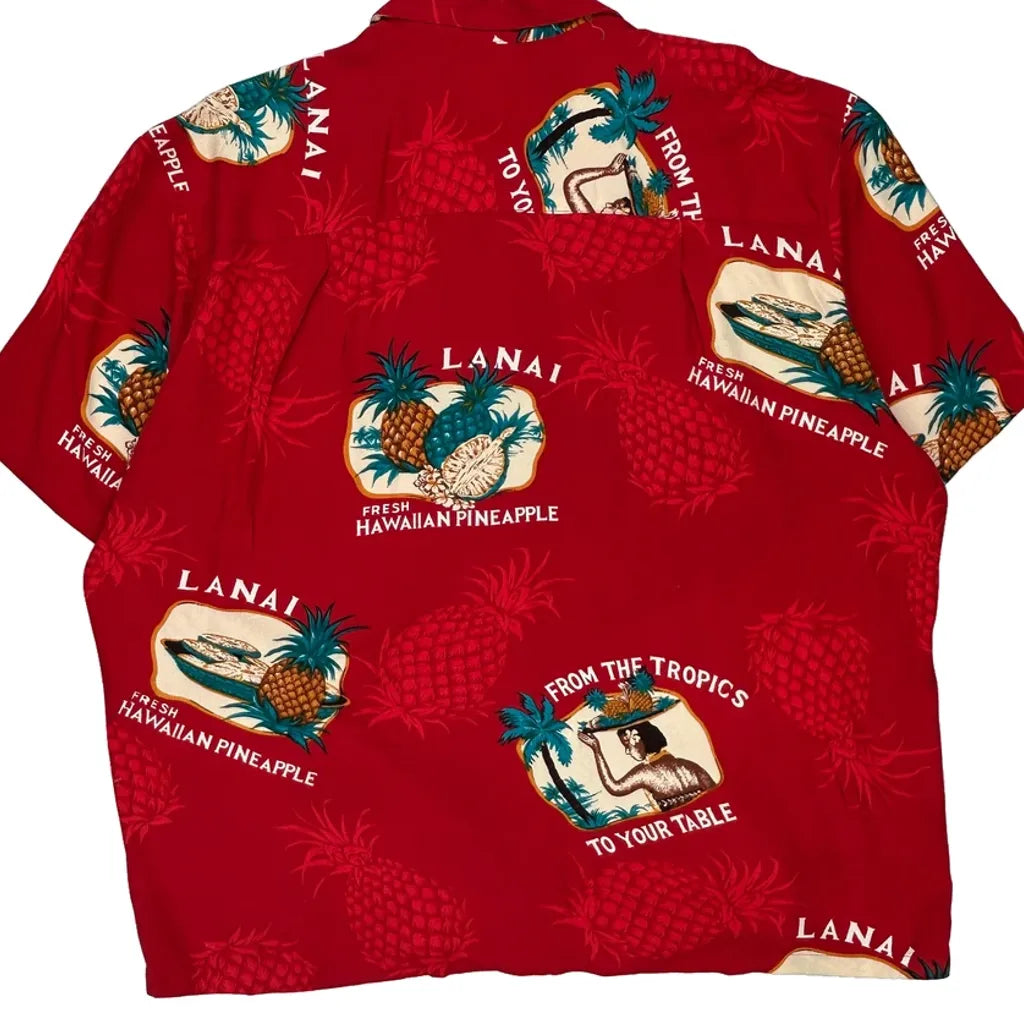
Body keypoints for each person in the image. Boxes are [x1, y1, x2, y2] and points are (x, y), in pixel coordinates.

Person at [578, 719, 714, 812]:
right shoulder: (690, 766)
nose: (627, 751)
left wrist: (596, 750)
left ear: (637, 739)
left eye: (627, 745)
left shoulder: (646, 772)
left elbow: (615, 787)